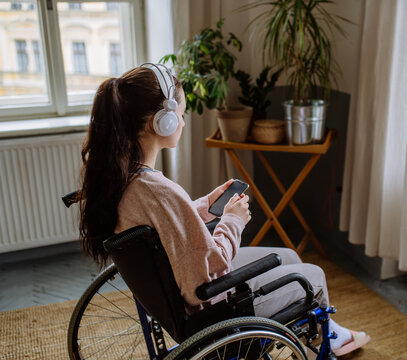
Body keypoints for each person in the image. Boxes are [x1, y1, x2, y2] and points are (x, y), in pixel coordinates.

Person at [78, 63, 370, 356]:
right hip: (211, 306)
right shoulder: (160, 192)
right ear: (160, 123)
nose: (182, 122)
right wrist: (232, 221)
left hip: (177, 290)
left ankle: (325, 332)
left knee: (289, 256)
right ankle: (326, 336)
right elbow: (205, 279)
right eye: (180, 115)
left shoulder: (123, 180)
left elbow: (165, 226)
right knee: (312, 275)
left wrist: (205, 206)